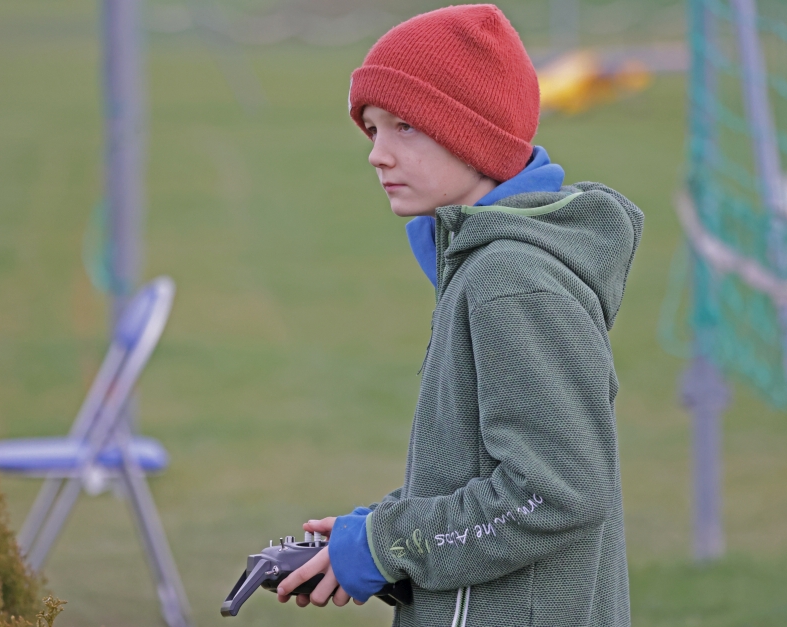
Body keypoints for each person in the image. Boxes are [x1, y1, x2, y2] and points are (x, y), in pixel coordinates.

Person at [276, 4, 643, 626]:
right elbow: (486, 471)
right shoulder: (481, 265)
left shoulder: (511, 281)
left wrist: (392, 544)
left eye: (404, 127)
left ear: (473, 134)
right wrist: (379, 532)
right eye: (373, 129)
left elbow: (555, 493)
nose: (377, 154)